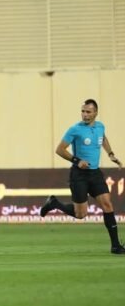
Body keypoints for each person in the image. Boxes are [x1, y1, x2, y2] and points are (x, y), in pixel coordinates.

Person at [40, 99, 125, 254]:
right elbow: (60, 149)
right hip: (79, 175)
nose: (85, 115)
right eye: (83, 111)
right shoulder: (75, 129)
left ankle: (115, 246)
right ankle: (54, 203)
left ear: (95, 113)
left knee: (107, 204)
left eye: (88, 112)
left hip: (95, 173)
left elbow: (103, 138)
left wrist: (111, 154)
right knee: (81, 214)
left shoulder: (100, 126)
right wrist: (77, 160)